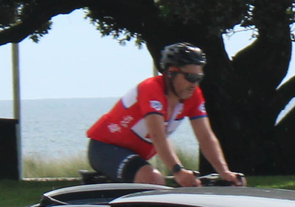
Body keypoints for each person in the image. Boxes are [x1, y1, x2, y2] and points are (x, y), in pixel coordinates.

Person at [85, 42, 244, 187]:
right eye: (190, 77)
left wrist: (224, 172)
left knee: (234, 183)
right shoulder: (151, 88)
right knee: (152, 179)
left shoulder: (194, 95)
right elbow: (157, 134)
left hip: (134, 153)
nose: (194, 84)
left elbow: (206, 137)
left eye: (199, 78)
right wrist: (178, 171)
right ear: (171, 73)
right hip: (105, 147)